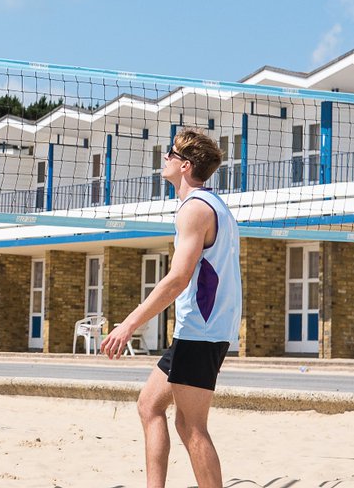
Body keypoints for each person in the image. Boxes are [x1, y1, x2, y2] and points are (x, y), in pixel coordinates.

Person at [100, 129, 240, 488]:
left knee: (191, 426)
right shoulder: (213, 204)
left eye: (170, 154)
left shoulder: (195, 210)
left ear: (185, 165)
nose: (165, 159)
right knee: (149, 405)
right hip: (203, 329)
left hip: (201, 331)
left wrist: (129, 323)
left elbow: (177, 279)